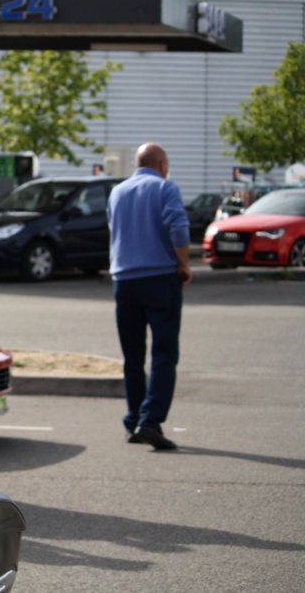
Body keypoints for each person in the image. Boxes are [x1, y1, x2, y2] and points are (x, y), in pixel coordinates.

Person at [107, 142, 192, 451]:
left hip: (124, 281)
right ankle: (150, 421)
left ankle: (133, 421)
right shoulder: (165, 188)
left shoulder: (118, 192)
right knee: (164, 353)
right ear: (161, 164)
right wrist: (183, 263)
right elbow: (178, 228)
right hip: (159, 277)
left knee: (132, 356)